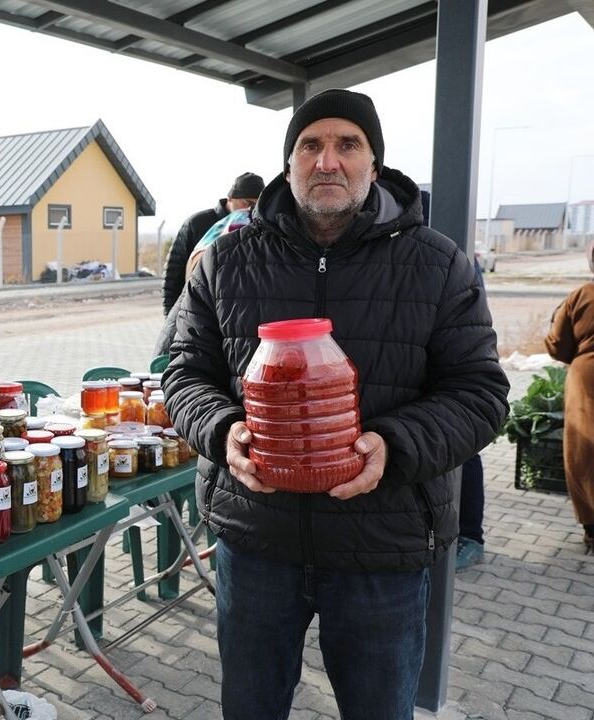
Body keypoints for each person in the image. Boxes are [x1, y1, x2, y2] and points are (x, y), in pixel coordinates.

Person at [164, 88, 508, 719]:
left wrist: (395, 445)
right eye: (309, 146)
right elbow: (183, 373)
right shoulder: (225, 261)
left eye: (347, 145)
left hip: (383, 542)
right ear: (288, 164)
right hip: (257, 539)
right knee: (250, 708)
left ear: (373, 165)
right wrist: (220, 430)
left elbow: (481, 393)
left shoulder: (436, 264)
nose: (328, 161)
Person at [156, 172, 264, 356]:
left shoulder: (258, 227)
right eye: (246, 202)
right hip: (192, 316)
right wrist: (172, 318)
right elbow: (174, 275)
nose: (250, 209)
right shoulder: (198, 224)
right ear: (230, 199)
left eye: (256, 204)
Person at [543, 242, 594, 553]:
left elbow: (558, 345)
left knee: (584, 452)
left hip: (587, 381)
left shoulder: (583, 295)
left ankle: (592, 528)